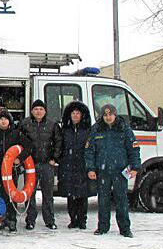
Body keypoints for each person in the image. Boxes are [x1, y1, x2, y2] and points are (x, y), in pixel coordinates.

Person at [85, 104, 141, 238]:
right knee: (103, 201)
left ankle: (125, 229)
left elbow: (133, 149)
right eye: (105, 115)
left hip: (120, 171)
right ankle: (103, 227)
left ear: (115, 115)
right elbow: (89, 151)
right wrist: (90, 168)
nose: (108, 117)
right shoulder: (96, 129)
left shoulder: (124, 129)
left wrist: (135, 167)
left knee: (121, 200)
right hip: (102, 171)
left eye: (110, 115)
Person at [0, 109, 33, 233]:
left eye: (5, 119)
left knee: (11, 196)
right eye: (1, 119)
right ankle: (0, 219)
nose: (3, 121)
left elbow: (29, 147)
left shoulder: (16, 134)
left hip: (12, 171)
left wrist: (19, 159)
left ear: (9, 120)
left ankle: (12, 221)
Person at [20, 99, 62, 230]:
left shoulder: (52, 124)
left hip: (46, 165)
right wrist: (22, 159)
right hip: (30, 165)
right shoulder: (25, 124)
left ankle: (49, 220)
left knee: (48, 194)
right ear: (32, 111)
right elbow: (19, 142)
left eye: (41, 109)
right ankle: (30, 220)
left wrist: (55, 158)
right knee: (30, 194)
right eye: (36, 109)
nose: (38, 111)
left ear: (45, 111)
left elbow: (58, 142)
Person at [59, 101, 92, 230]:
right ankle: (73, 219)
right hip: (68, 166)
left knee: (82, 195)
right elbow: (59, 147)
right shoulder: (65, 130)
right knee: (70, 195)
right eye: (73, 113)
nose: (75, 115)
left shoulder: (88, 130)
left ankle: (82, 220)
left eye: (78, 113)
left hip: (82, 166)